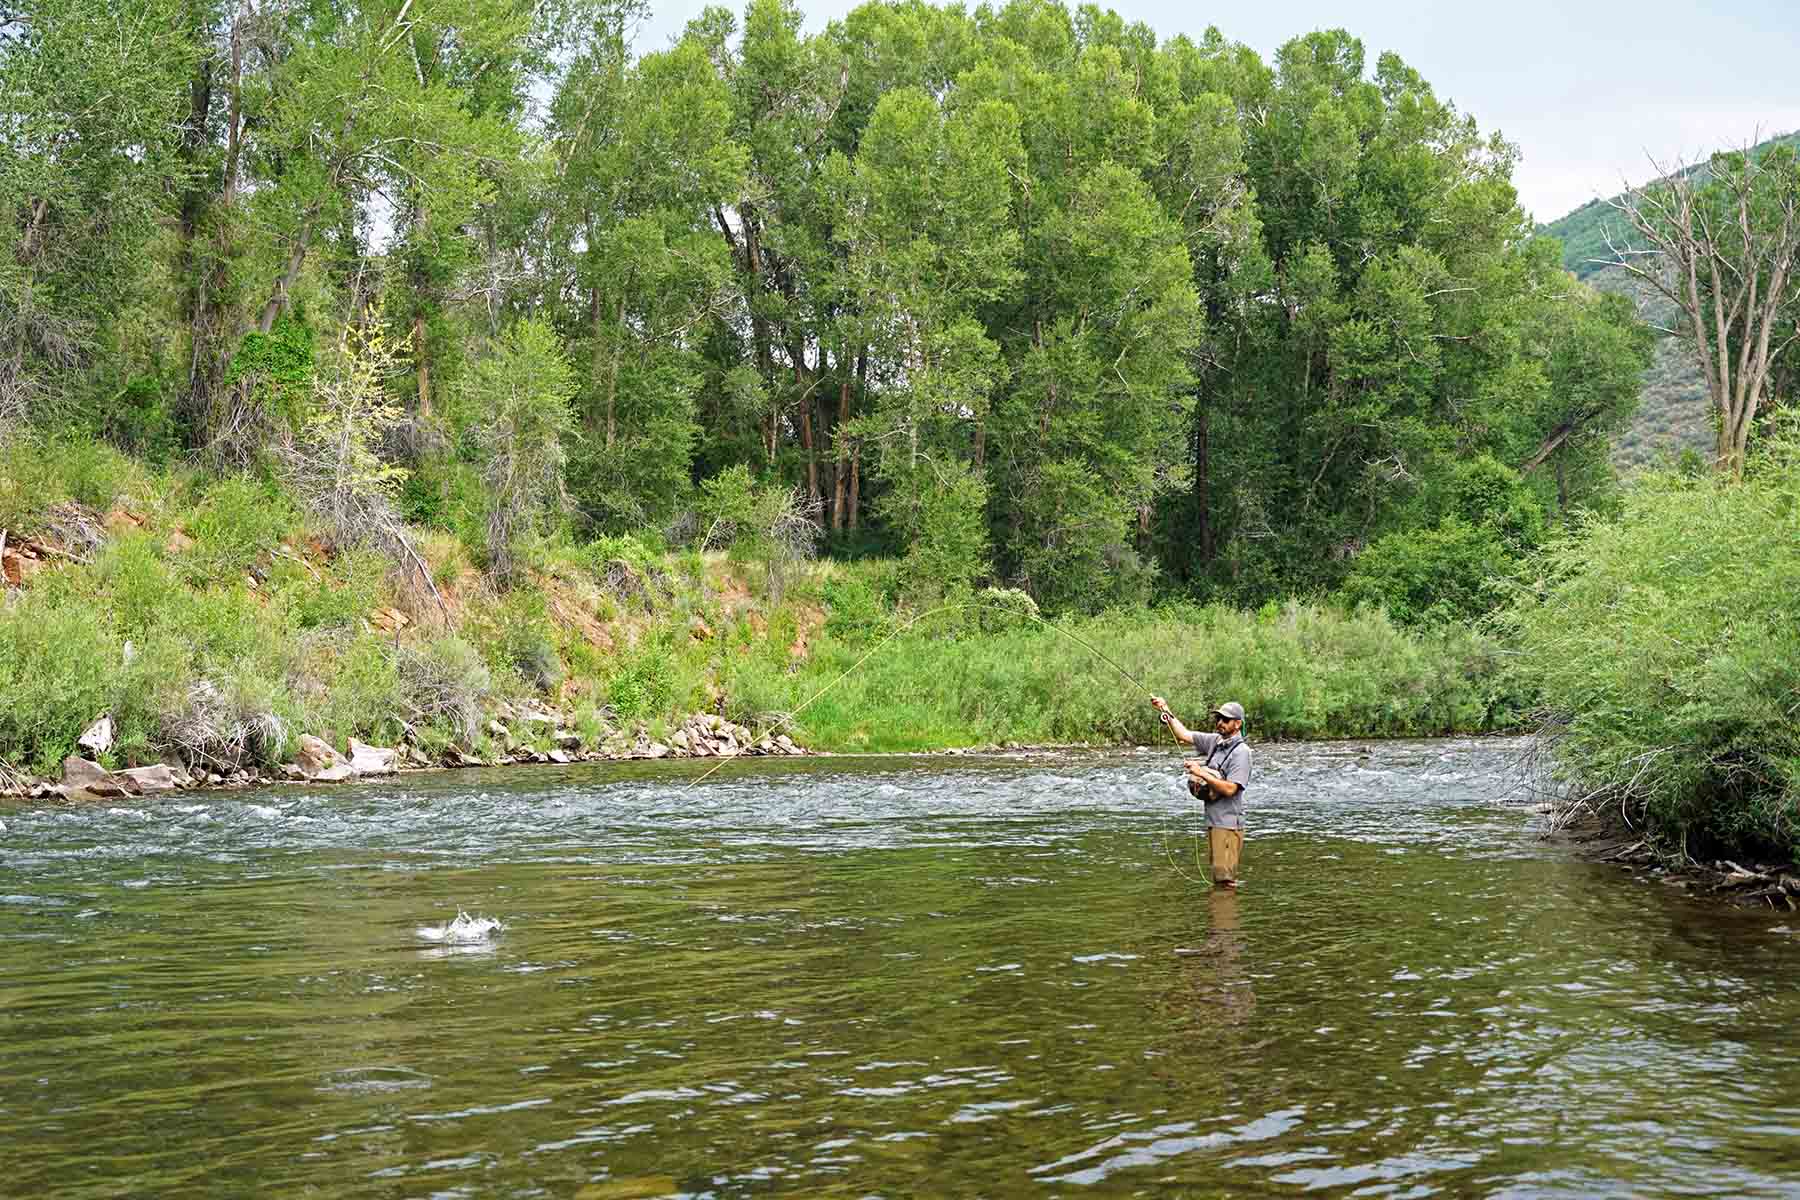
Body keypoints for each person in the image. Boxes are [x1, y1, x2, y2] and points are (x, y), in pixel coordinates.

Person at [1149, 695, 1252, 889]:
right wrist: (1165, 709)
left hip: (1228, 824)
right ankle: (1219, 909)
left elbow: (1231, 789)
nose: (1220, 723)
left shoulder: (1242, 752)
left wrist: (1201, 773)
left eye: (1225, 719)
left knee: (1225, 881)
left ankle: (1225, 909)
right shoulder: (1215, 741)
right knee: (1219, 878)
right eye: (1218, 718)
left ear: (1238, 724)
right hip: (1214, 821)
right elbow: (1184, 735)